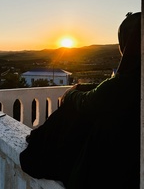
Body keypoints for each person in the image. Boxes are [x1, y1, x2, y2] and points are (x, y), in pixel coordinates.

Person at [20, 12, 141, 189]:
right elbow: (104, 90)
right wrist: (81, 87)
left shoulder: (122, 87)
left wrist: (71, 94)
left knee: (71, 110)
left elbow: (88, 102)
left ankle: (41, 146)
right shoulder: (128, 84)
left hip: (110, 171)